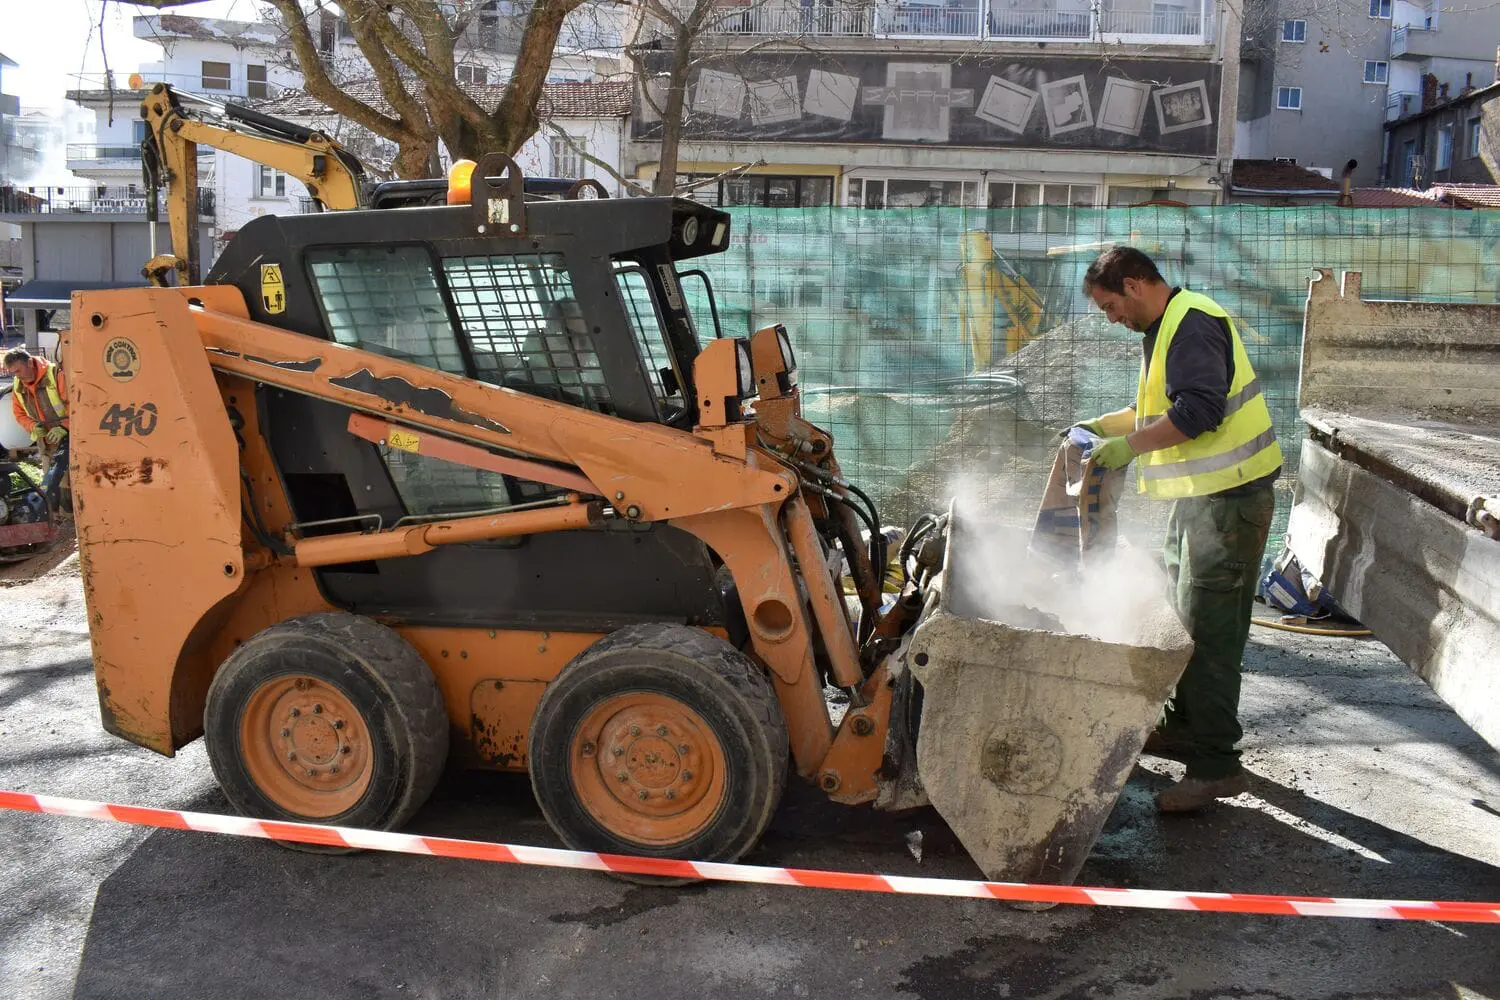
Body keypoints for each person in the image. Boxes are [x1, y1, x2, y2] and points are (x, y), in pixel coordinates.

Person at [1076, 246, 1282, 813]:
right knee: (1182, 620)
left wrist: (1126, 448)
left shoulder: (1191, 325)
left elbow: (1197, 413)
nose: (1112, 318)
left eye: (1111, 305)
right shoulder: (1169, 325)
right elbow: (1161, 408)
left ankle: (1216, 765)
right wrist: (1104, 426)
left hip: (1229, 503)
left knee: (1212, 635)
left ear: (1136, 285)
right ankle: (1185, 727)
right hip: (1201, 503)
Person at [5, 347, 70, 518]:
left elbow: (75, 404)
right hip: (46, 440)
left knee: (68, 482)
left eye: (18, 370)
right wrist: (32, 426)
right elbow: (19, 414)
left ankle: (69, 520)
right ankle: (55, 518)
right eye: (13, 373)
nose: (16, 375)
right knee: (50, 480)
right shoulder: (18, 386)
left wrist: (64, 426)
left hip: (68, 435)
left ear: (29, 363)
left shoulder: (55, 375)